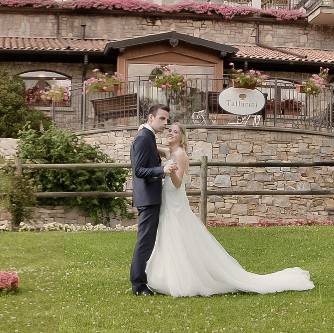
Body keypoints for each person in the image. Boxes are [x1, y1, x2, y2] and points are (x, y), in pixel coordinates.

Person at [145, 124, 313, 297]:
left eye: (175, 131)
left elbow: (178, 182)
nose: (171, 133)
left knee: (177, 236)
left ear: (182, 136)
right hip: (168, 201)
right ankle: (163, 275)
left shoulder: (180, 155)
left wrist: (170, 170)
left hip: (176, 203)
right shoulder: (168, 152)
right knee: (167, 235)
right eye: (169, 130)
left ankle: (180, 279)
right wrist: (146, 131)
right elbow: (151, 145)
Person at [127, 105, 175, 295]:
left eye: (167, 120)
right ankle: (138, 285)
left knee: (148, 241)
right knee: (145, 242)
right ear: (150, 117)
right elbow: (138, 171)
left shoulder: (147, 136)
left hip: (150, 197)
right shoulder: (143, 138)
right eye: (162, 119)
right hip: (147, 197)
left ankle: (143, 280)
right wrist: (161, 170)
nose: (165, 123)